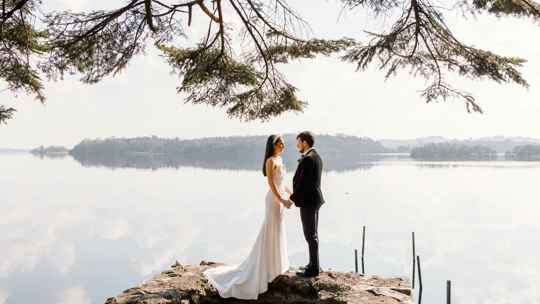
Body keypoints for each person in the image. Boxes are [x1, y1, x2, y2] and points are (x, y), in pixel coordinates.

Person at [203, 134, 291, 300]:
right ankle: (264, 267)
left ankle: (276, 264)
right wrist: (281, 200)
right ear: (273, 145)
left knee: (278, 229)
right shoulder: (270, 161)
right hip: (273, 200)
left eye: (283, 143)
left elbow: (282, 182)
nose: (283, 145)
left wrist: (290, 193)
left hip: (280, 198)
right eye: (281, 143)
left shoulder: (280, 159)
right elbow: (271, 184)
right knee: (270, 229)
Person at [287, 131, 325, 277]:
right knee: (313, 234)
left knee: (310, 235)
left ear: (304, 142)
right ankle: (313, 264)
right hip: (314, 200)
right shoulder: (317, 156)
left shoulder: (308, 159)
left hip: (309, 201)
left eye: (298, 142)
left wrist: (291, 199)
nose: (297, 145)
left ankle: (313, 269)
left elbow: (303, 184)